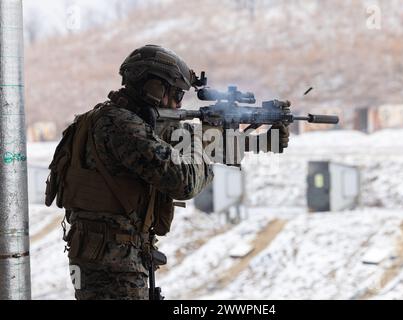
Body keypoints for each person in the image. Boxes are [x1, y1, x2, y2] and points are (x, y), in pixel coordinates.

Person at [45, 44, 289, 300]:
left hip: (108, 255)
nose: (178, 103)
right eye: (177, 94)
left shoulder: (113, 119)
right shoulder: (121, 126)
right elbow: (183, 181)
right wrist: (200, 135)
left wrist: (264, 141)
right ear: (154, 88)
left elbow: (188, 148)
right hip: (112, 265)